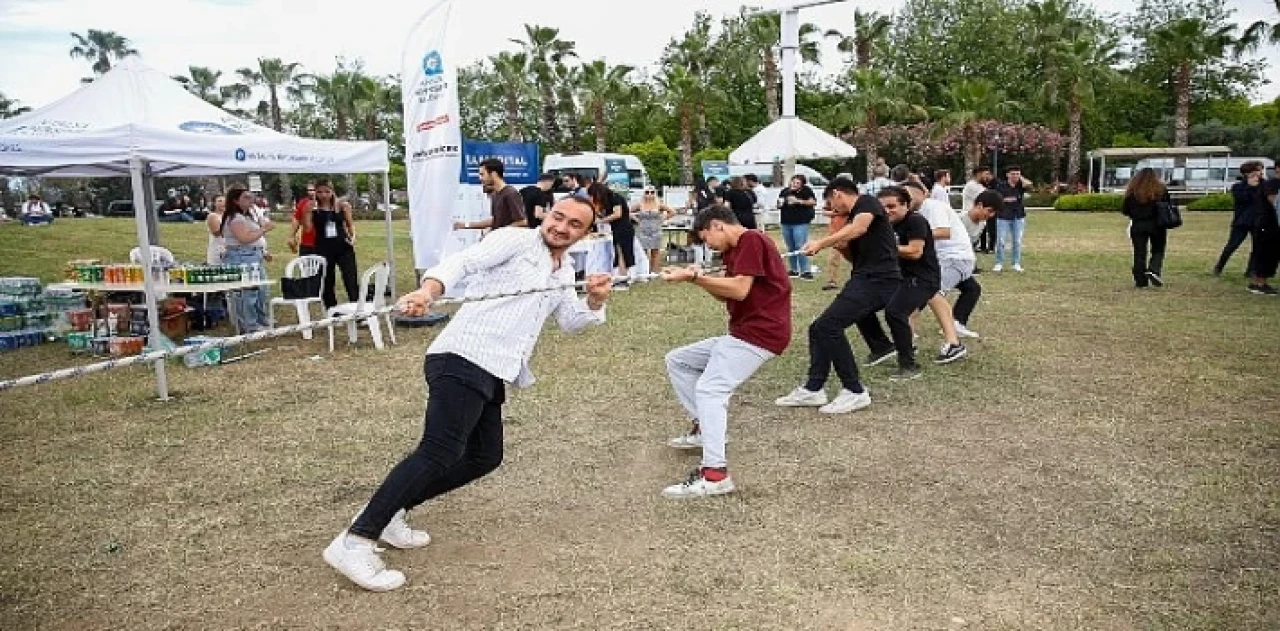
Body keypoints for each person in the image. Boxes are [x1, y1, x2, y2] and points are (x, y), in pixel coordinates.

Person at [322, 196, 613, 592]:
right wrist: (428, 291)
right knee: (438, 451)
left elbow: (570, 322)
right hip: (462, 356)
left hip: (494, 369)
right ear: (546, 214)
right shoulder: (515, 241)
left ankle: (391, 511)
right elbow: (463, 263)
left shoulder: (563, 270)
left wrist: (594, 301)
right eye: (558, 216)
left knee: (484, 457)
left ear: (586, 233)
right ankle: (356, 540)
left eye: (574, 224)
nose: (561, 227)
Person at [660, 204, 791, 499]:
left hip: (761, 334)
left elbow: (739, 289)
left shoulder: (751, 239)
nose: (707, 245)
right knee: (678, 360)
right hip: (744, 332)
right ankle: (704, 429)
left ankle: (715, 475)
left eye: (706, 237)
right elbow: (727, 293)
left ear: (717, 225)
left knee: (710, 389)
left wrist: (694, 278)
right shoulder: (735, 250)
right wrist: (696, 277)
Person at [774, 178, 901, 414]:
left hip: (879, 281)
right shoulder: (853, 218)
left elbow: (859, 228)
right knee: (818, 329)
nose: (833, 209)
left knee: (827, 327)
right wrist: (842, 246)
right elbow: (856, 256)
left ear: (838, 194)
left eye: (831, 203)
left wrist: (822, 242)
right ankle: (814, 388)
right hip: (864, 278)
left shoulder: (867, 203)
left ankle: (854, 391)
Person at [851, 186, 945, 381]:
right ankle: (882, 347)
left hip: (922, 278)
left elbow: (915, 251)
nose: (887, 211)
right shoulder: (882, 225)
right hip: (895, 278)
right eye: (882, 207)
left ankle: (909, 365)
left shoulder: (915, 221)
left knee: (895, 312)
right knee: (857, 303)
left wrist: (886, 247)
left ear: (906, 205)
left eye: (892, 206)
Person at [901, 182, 969, 364]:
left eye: (907, 196)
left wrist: (915, 236)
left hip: (954, 257)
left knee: (932, 292)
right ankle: (907, 342)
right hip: (937, 260)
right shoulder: (912, 214)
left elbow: (944, 232)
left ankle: (954, 344)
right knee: (910, 296)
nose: (904, 200)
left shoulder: (932, 206)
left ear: (921, 194)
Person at [951, 190, 1004, 337]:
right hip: (946, 263)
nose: (990, 215)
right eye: (990, 211)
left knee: (972, 289)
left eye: (994, 213)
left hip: (961, 265)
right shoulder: (959, 220)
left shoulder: (982, 223)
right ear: (979, 205)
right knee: (929, 293)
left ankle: (956, 323)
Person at [220, 187, 273, 332]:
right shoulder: (235, 218)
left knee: (262, 290)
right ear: (235, 201)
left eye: (251, 197)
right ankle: (249, 324)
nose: (250, 200)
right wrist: (264, 229)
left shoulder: (248, 215)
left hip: (254, 255)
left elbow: (254, 236)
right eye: (246, 197)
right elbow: (244, 238)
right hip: (241, 257)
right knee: (248, 292)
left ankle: (261, 319)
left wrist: (263, 250)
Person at [306, 179, 359, 309]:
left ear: (332, 192)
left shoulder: (343, 206)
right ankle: (332, 310)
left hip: (343, 246)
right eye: (320, 192)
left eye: (327, 191)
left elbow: (350, 225)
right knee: (327, 281)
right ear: (315, 193)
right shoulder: (313, 208)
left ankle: (357, 308)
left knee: (351, 279)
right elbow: (307, 229)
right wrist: (308, 212)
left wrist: (353, 237)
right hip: (323, 247)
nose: (323, 195)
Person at [1121, 168, 1171, 289]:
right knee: (1158, 249)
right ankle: (1154, 269)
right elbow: (1167, 205)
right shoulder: (1160, 190)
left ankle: (1140, 280)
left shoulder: (1132, 191)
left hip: (1138, 225)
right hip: (1157, 225)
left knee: (1139, 252)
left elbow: (1125, 209)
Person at [1217, 162, 1265, 278]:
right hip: (1242, 221)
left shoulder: (1264, 185)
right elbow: (1242, 199)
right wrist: (1250, 187)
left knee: (1258, 247)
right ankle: (1219, 266)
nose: (1260, 173)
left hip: (1259, 221)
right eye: (1257, 171)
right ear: (1247, 174)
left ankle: (1251, 270)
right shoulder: (1238, 187)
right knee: (1232, 245)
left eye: (1260, 171)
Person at [456, 158, 526, 232]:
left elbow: (522, 222)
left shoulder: (511, 193)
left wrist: (500, 232)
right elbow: (495, 220)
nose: (480, 178)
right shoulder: (495, 195)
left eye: (482, 174)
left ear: (494, 174)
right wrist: (466, 225)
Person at [589, 182, 636, 286]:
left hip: (624, 228)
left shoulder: (615, 198)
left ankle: (624, 278)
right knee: (619, 252)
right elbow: (608, 215)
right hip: (616, 228)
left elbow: (617, 214)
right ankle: (621, 276)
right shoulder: (608, 200)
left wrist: (601, 221)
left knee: (623, 252)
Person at [778, 174, 818, 280]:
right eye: (793, 182)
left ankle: (805, 270)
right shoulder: (785, 191)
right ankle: (793, 269)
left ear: (802, 184)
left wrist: (798, 201)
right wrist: (779, 204)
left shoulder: (806, 191)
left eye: (797, 183)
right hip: (786, 222)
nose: (794, 184)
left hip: (800, 222)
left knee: (800, 245)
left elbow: (813, 202)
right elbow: (779, 203)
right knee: (790, 246)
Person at [992, 166, 1032, 272]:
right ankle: (999, 263)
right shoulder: (1001, 186)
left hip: (1018, 216)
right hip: (1003, 216)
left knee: (1017, 241)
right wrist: (1006, 200)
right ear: (1007, 175)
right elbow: (996, 198)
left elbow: (1029, 184)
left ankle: (1016, 263)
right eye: (1013, 174)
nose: (1015, 176)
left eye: (1017, 174)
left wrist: (1021, 178)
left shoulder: (1020, 185)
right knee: (1001, 240)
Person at [820, 173, 855, 291]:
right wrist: (835, 212)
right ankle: (831, 280)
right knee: (833, 257)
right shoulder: (832, 197)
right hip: (835, 230)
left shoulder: (853, 196)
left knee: (855, 257)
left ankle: (856, 279)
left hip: (851, 230)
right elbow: (824, 211)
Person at [634, 186, 675, 272]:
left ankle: (654, 271)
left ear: (655, 193)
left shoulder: (659, 204)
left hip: (656, 231)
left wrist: (663, 219)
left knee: (655, 252)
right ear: (644, 194)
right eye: (647, 192)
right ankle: (644, 271)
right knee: (643, 252)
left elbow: (672, 212)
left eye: (652, 192)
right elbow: (628, 212)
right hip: (643, 231)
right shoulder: (640, 204)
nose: (650, 194)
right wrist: (637, 220)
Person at [1250, 174, 1280, 294]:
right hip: (1268, 225)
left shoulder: (1268, 183)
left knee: (1265, 254)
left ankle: (1257, 282)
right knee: (1267, 254)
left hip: (1267, 224)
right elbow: (1275, 204)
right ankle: (1260, 284)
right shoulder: (1273, 184)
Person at [964, 167, 996, 254]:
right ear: (978, 174)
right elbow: (990, 198)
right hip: (970, 218)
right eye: (986, 174)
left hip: (978, 218)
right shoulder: (972, 185)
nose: (988, 176)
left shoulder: (980, 186)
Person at [290, 182, 318, 256]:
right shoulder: (303, 202)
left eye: (313, 190)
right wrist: (292, 236)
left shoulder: (326, 203)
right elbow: (297, 219)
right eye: (309, 190)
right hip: (306, 243)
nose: (311, 192)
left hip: (323, 243)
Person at [205, 195, 226, 265]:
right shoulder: (212, 216)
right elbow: (216, 233)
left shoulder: (229, 216)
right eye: (220, 201)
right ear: (214, 203)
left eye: (225, 201)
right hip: (217, 250)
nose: (223, 203)